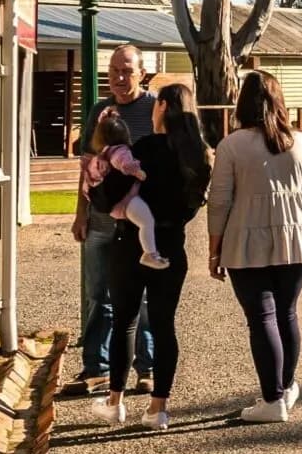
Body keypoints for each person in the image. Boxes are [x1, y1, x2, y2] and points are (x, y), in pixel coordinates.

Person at [207, 70, 302, 424]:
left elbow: (219, 202)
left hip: (245, 239)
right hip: (296, 239)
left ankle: (272, 399)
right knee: (286, 313)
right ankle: (284, 389)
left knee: (262, 318)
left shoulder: (231, 145)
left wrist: (215, 249)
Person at [100, 81, 213, 430]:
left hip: (130, 243)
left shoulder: (143, 149)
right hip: (171, 244)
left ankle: (115, 401)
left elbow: (107, 199)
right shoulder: (199, 157)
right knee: (165, 326)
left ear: (162, 106)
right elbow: (194, 205)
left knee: (125, 321)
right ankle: (158, 408)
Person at [73, 44, 161, 391]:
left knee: (142, 295)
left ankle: (148, 368)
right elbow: (86, 168)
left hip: (138, 219)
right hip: (101, 217)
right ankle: (96, 368)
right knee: (98, 294)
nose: (120, 78)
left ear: (141, 73)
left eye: (127, 71)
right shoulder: (99, 109)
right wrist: (80, 214)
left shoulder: (155, 109)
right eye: (113, 71)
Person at [84, 111, 169, 271]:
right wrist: (139, 173)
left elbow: (89, 183)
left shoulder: (99, 156)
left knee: (142, 222)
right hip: (128, 200)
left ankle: (150, 253)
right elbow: (125, 165)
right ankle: (150, 253)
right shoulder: (120, 151)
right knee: (147, 221)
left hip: (113, 205)